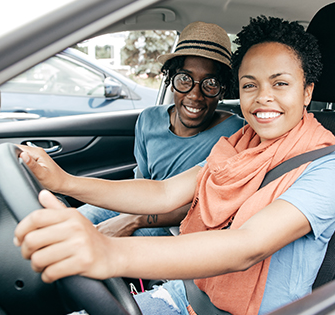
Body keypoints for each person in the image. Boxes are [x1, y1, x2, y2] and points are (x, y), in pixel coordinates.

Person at [14, 16, 335, 315]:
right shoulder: (240, 144)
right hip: (187, 297)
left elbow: (247, 246)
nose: (263, 97)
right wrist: (65, 181)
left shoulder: (329, 168)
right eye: (250, 84)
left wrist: (109, 252)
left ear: (307, 91)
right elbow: (163, 192)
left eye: (280, 83)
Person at [79, 21, 245, 236]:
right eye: (184, 79)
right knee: (80, 219)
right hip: (146, 204)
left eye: (210, 83)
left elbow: (212, 203)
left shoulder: (236, 132)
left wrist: (133, 221)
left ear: (222, 91)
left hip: (185, 224)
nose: (195, 95)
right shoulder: (149, 119)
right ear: (170, 79)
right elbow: (144, 182)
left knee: (119, 245)